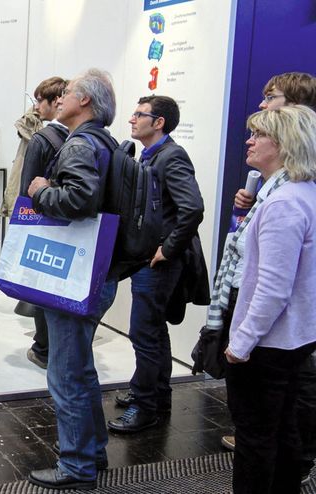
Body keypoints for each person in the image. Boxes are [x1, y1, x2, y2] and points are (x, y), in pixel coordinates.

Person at [218, 71, 316, 484]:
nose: (249, 141)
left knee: (258, 439)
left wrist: (240, 343)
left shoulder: (285, 204)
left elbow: (272, 287)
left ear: (282, 146)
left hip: (268, 343)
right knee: (283, 433)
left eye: (258, 136)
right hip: (288, 339)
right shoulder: (295, 194)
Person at [25, 69, 119, 490]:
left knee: (65, 374)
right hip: (99, 271)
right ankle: (93, 452)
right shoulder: (104, 141)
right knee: (80, 370)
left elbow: (77, 199)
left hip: (76, 273)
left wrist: (41, 189)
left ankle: (77, 466)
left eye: (69, 92)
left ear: (86, 102)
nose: (61, 96)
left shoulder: (80, 142)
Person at [107, 96, 205, 433]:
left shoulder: (172, 156)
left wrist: (168, 249)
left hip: (159, 262)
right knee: (152, 330)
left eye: (139, 114)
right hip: (146, 259)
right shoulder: (150, 154)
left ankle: (145, 406)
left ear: (158, 122)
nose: (132, 119)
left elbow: (192, 208)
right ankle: (156, 395)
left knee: (143, 332)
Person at [17, 77, 69, 370]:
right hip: (68, 226)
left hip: (43, 224)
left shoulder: (43, 138)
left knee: (42, 288)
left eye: (40, 101)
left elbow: (29, 188)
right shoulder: (81, 138)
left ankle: (43, 348)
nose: (36, 107)